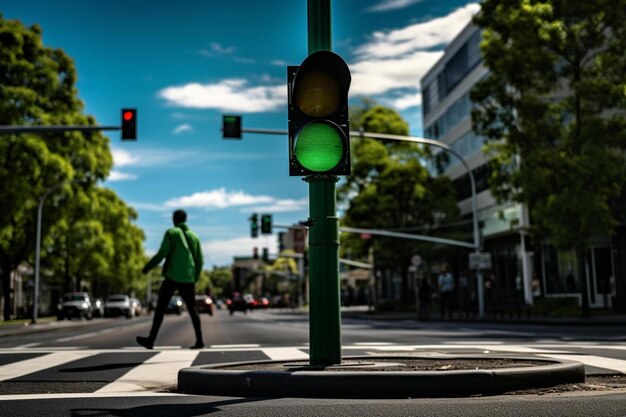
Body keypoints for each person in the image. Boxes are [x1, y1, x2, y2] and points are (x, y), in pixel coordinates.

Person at [137, 210, 204, 350]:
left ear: (174, 219)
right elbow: (200, 260)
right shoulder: (195, 237)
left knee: (160, 308)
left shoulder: (171, 233)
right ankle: (200, 340)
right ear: (185, 219)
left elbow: (162, 254)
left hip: (172, 277)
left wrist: (149, 266)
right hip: (188, 279)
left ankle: (151, 339)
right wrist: (194, 277)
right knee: (192, 310)